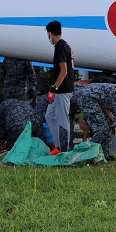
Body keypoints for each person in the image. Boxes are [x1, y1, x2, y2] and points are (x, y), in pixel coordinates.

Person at [45, 20, 75, 155]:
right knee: (49, 116)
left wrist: (54, 88)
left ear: (50, 33)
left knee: (63, 120)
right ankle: (58, 146)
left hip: (63, 90)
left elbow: (64, 71)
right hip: (59, 90)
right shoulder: (65, 45)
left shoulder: (60, 47)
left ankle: (64, 150)